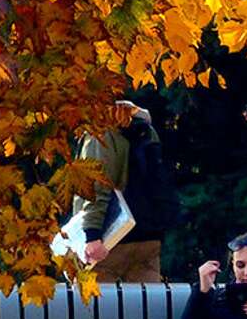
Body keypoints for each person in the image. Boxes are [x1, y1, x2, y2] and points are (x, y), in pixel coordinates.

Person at [73, 100, 179, 283]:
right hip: (149, 238)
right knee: (146, 306)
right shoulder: (146, 129)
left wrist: (92, 234)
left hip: (110, 238)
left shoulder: (100, 133)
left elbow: (96, 185)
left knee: (95, 308)